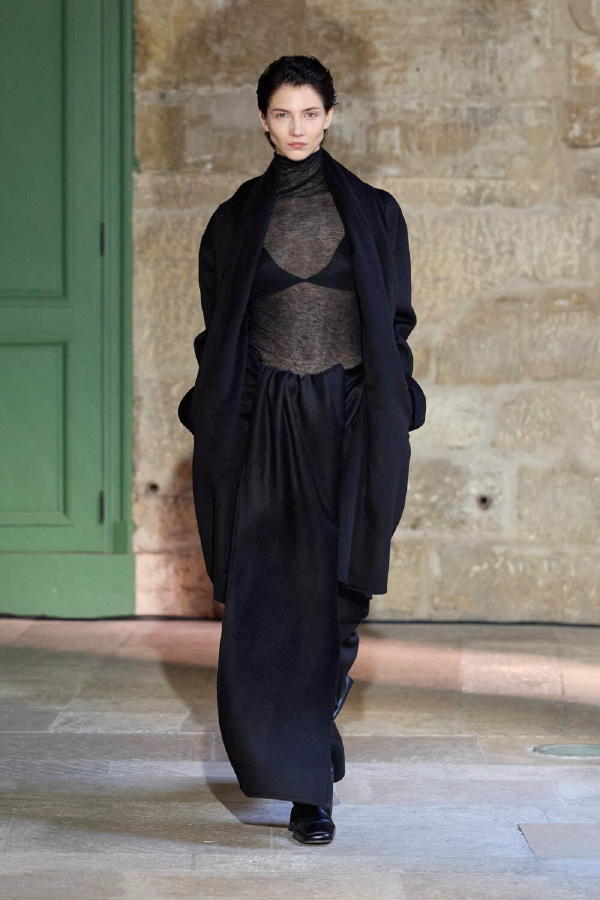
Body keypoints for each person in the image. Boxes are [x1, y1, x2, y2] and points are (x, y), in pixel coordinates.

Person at [178, 55, 426, 845]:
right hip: (267, 424)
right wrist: (225, 414)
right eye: (282, 113)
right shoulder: (233, 220)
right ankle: (306, 784)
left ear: (330, 116)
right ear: (263, 119)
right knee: (270, 599)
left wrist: (392, 400)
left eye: (310, 113)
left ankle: (314, 736)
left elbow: (395, 321)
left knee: (340, 598)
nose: (296, 127)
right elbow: (220, 331)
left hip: (349, 418)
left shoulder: (376, 213)